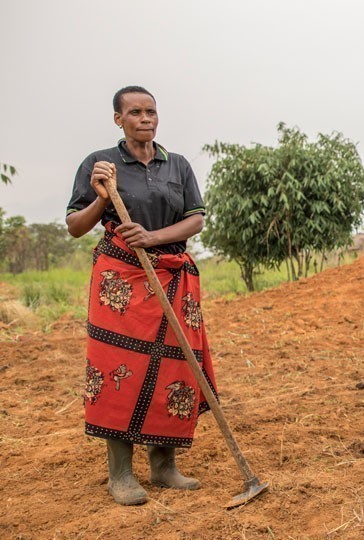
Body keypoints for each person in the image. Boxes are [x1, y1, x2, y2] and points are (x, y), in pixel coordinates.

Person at [65, 86, 215, 505]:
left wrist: (153, 237)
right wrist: (100, 198)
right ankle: (120, 475)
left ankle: (164, 466)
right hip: (121, 283)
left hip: (171, 275)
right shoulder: (101, 165)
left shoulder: (178, 165)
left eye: (151, 111)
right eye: (135, 112)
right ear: (119, 119)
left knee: (174, 368)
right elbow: (75, 225)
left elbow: (196, 219)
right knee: (119, 371)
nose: (145, 118)